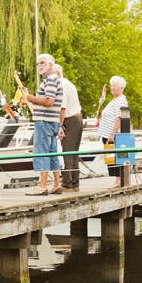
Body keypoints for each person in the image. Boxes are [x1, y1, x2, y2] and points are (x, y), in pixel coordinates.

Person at [25, 54, 64, 196]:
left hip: (45, 121)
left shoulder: (51, 80)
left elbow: (49, 101)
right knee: (52, 152)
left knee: (41, 152)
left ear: (51, 65)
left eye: (42, 63)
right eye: (37, 63)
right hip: (52, 121)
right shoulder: (53, 80)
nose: (39, 65)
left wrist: (30, 98)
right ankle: (56, 184)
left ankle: (42, 186)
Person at [54, 64, 83, 192]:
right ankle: (75, 183)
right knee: (74, 153)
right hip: (77, 118)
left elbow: (62, 108)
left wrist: (59, 125)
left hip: (70, 120)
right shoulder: (68, 83)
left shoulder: (60, 84)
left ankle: (67, 184)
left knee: (67, 152)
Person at [97, 76, 129, 178]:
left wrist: (112, 134)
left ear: (121, 88)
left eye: (115, 86)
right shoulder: (114, 99)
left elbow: (119, 118)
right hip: (107, 134)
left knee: (115, 158)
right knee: (110, 158)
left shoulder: (120, 100)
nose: (112, 88)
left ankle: (119, 181)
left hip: (112, 135)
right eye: (112, 85)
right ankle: (117, 180)